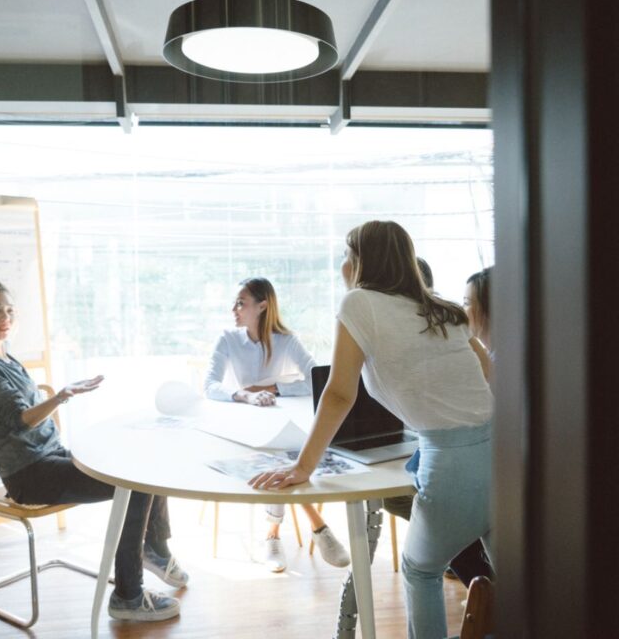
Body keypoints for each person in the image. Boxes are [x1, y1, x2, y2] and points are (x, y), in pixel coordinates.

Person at [249, 222, 494, 639]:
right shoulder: (445, 310)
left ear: (363, 261)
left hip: (450, 461)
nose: (343, 266)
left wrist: (303, 467)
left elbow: (339, 394)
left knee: (421, 571)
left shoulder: (359, 303)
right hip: (502, 453)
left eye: (347, 255)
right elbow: (487, 375)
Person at [0, 280, 187, 623]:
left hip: (51, 458)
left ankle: (154, 549)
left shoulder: (6, 358)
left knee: (142, 466)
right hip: (29, 476)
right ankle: (129, 595)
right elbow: (21, 422)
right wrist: (61, 396)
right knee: (134, 484)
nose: (6, 316)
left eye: (10, 310)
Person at [204, 277, 350, 573]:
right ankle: (317, 527)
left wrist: (272, 388)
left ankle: (272, 534)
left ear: (262, 306)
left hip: (279, 424)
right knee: (278, 458)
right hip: (241, 428)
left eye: (241, 303)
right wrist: (244, 393)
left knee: (284, 455)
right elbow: (208, 385)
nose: (234, 308)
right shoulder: (228, 339)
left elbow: (318, 378)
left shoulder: (287, 340)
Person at [383, 258, 493, 588]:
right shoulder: (477, 353)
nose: (460, 310)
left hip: (482, 467)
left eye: (467, 302)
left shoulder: (490, 362)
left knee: (406, 504)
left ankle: (479, 581)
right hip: (472, 463)